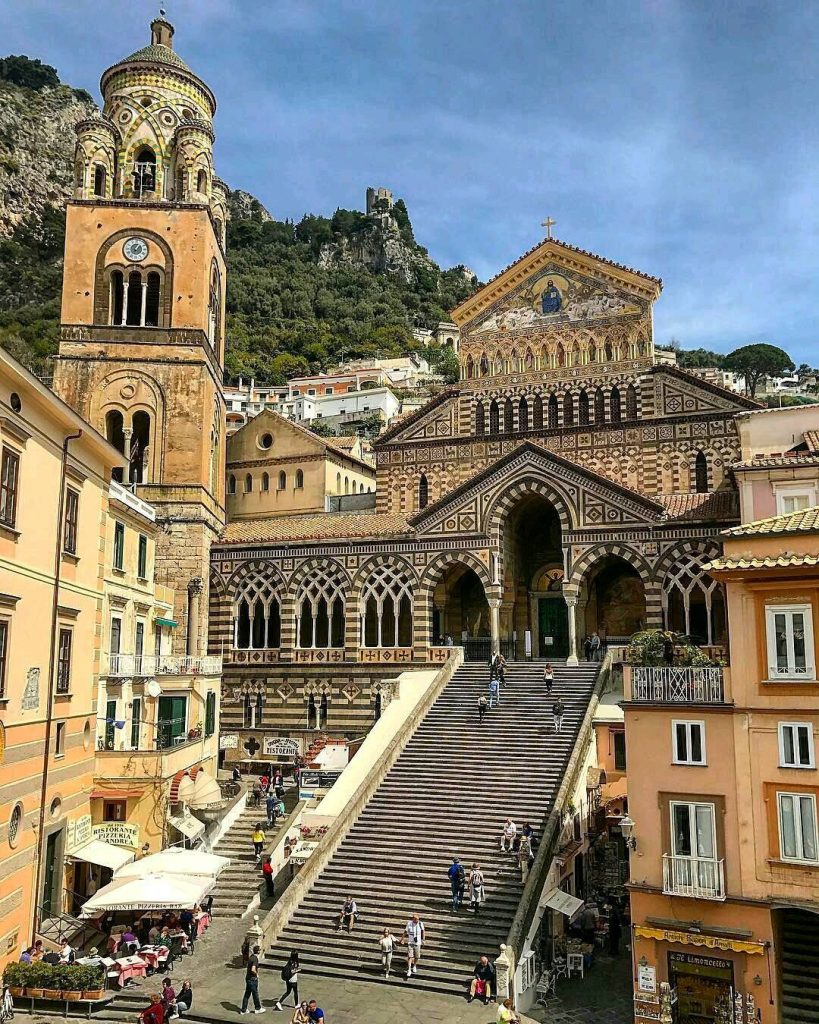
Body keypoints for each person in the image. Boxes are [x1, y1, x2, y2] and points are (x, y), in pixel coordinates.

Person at [240, 943, 265, 1014]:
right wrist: (256, 974)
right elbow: (253, 969)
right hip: (252, 979)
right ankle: (258, 1008)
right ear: (258, 952)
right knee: (255, 994)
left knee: (247, 994)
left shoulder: (251, 957)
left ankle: (243, 1009)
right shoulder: (255, 959)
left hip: (248, 978)